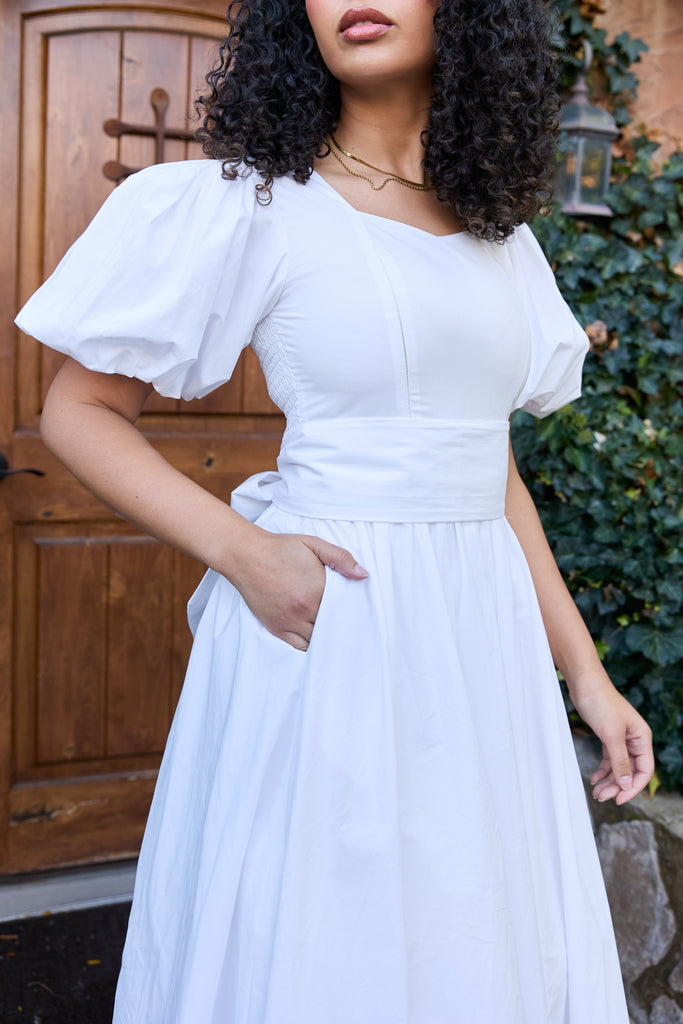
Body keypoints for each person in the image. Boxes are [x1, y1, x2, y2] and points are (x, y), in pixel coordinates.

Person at [15, 1, 654, 1021]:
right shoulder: (252, 204)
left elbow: (485, 468)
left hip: (480, 647)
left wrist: (586, 676)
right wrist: (245, 554)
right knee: (331, 939)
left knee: (474, 930)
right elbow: (77, 412)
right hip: (334, 631)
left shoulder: (499, 237)